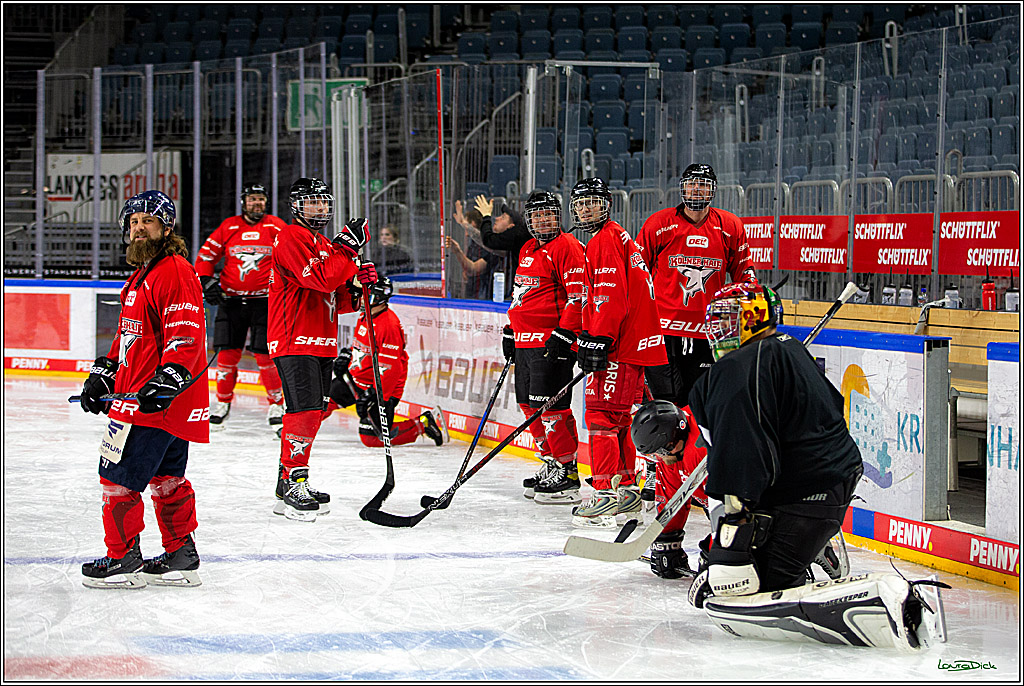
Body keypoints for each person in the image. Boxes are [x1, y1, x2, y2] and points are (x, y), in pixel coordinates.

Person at [634, 283, 947, 650]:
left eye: (727, 320)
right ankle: (811, 546)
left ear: (754, 319)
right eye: (715, 321)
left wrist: (730, 547)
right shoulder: (789, 349)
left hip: (803, 493)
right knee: (743, 567)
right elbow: (828, 409)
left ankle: (878, 603)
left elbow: (741, 454)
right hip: (830, 479)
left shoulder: (736, 368)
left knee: (746, 588)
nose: (718, 331)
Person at [78, 190, 209, 589]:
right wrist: (104, 372)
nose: (139, 228)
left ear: (166, 228)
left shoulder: (173, 270)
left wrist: (167, 378)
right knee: (167, 479)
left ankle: (122, 559)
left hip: (152, 402)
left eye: (147, 221)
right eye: (133, 222)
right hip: (153, 399)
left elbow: (185, 333)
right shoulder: (143, 274)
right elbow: (128, 336)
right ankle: (180, 553)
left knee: (116, 478)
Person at [635, 163, 757, 508]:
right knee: (660, 406)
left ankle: (696, 473)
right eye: (692, 185)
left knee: (698, 408)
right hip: (663, 332)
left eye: (704, 186)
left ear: (712, 190)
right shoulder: (659, 225)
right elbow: (637, 271)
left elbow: (744, 271)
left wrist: (746, 292)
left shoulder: (730, 226)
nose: (697, 191)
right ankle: (655, 471)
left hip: (708, 335)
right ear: (682, 189)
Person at [267, 177, 378, 522]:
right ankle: (296, 479)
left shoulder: (323, 244)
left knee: (313, 411)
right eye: (311, 202)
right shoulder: (290, 237)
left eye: (323, 202)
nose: (318, 208)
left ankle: (288, 479)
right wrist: (347, 248)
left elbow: (337, 298)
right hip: (294, 338)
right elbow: (319, 279)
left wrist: (359, 285)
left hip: (322, 340)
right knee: (302, 410)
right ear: (296, 206)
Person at [569, 177, 667, 528]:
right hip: (632, 344)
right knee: (620, 418)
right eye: (580, 204)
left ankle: (604, 494)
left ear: (606, 204)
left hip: (620, 345)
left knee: (601, 419)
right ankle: (626, 489)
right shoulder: (618, 236)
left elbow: (612, 298)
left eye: (592, 202)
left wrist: (599, 338)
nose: (585, 209)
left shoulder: (604, 241)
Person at [500, 190, 586, 505]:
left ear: (558, 216)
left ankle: (567, 471)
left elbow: (579, 296)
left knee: (552, 409)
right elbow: (521, 294)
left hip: (551, 344)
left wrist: (565, 334)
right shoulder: (527, 248)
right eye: (536, 215)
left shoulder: (568, 247)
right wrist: (511, 329)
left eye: (548, 213)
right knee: (527, 405)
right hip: (525, 342)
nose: (542, 219)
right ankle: (551, 461)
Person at [195, 183, 288, 431]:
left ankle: (276, 403)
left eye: (261, 199)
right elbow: (206, 257)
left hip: (265, 302)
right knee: (226, 356)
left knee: (265, 356)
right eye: (252, 199)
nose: (257, 204)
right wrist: (206, 280)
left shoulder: (276, 226)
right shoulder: (229, 226)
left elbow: (293, 254)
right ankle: (223, 403)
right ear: (243, 202)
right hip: (231, 301)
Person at [327, 276, 448, 448]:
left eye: (365, 294)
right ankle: (299, 435)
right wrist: (347, 359)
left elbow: (390, 369)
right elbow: (364, 350)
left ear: (377, 297)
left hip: (381, 390)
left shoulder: (389, 325)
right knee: (324, 400)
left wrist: (377, 397)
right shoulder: (366, 316)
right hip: (358, 380)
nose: (361, 298)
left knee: (373, 438)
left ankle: (424, 423)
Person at [474, 194, 530, 300]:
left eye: (503, 217)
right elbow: (485, 240)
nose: (497, 218)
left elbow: (488, 240)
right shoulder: (513, 243)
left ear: (511, 227)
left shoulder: (517, 234)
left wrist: (486, 216)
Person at [450, 200, 503, 299]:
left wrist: (458, 252)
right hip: (472, 292)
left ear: (473, 224)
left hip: (483, 296)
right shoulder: (473, 244)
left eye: (467, 222)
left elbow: (473, 269)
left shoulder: (490, 245)